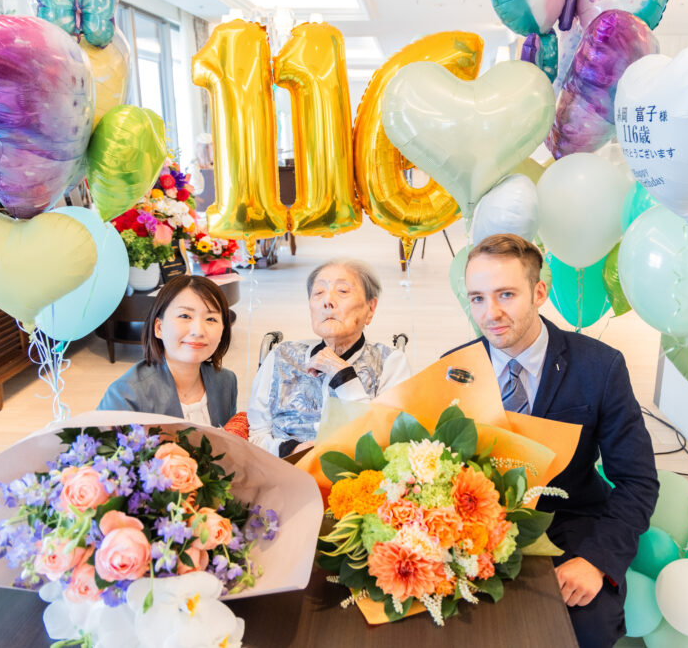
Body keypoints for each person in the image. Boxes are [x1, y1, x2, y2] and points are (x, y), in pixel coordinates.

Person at [448, 233, 659, 647]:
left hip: (570, 520)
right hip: (475, 527)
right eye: (477, 298)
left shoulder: (600, 367)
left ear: (539, 291)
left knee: (589, 625)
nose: (490, 313)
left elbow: (637, 481)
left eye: (506, 294)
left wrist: (596, 561)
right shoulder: (454, 369)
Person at [247, 259, 412, 457]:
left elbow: (390, 440)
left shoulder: (390, 362)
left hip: (357, 480)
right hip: (283, 475)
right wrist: (290, 450)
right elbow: (256, 433)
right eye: (318, 293)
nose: (328, 301)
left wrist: (344, 376)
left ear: (371, 308)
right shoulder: (281, 356)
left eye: (342, 291)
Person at [98, 275, 237, 426]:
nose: (198, 331)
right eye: (185, 316)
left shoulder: (226, 382)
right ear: (159, 328)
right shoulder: (126, 394)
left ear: (223, 329)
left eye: (211, 319)